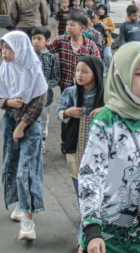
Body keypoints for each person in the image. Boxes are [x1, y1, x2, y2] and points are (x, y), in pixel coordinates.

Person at [79, 42, 140, 253]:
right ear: (122, 75)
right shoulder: (107, 122)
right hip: (111, 238)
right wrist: (91, 229)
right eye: (139, 74)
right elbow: (90, 176)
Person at [0, 31, 47, 241]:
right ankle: (19, 205)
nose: (4, 52)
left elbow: (39, 102)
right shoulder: (6, 68)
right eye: (2, 48)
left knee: (27, 169)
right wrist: (7, 103)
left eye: (8, 48)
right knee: (11, 164)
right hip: (10, 121)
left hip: (28, 125)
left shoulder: (33, 70)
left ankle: (28, 219)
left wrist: (21, 126)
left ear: (20, 48)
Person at [56, 56, 104, 249]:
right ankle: (87, 231)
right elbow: (58, 111)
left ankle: (88, 234)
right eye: (77, 71)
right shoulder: (70, 92)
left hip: (99, 153)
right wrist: (67, 113)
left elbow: (118, 112)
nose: (79, 75)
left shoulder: (106, 94)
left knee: (96, 193)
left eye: (85, 71)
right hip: (75, 148)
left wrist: (106, 110)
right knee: (82, 193)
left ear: (96, 74)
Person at [48, 12, 100, 91]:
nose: (68, 27)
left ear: (82, 28)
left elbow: (98, 64)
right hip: (65, 84)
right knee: (65, 102)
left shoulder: (90, 45)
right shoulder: (61, 40)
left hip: (83, 85)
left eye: (72, 25)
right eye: (67, 25)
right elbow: (48, 48)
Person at [30, 27, 60, 149]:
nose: (36, 41)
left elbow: (56, 77)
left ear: (47, 41)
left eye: (39, 38)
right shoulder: (29, 55)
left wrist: (46, 86)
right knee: (30, 118)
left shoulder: (51, 57)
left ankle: (42, 142)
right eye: (33, 38)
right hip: (30, 95)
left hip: (45, 96)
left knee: (43, 118)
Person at [96, 4, 115, 76]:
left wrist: (106, 27)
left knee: (108, 56)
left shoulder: (108, 19)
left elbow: (113, 28)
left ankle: (107, 68)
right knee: (100, 57)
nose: (101, 11)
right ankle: (103, 70)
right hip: (98, 42)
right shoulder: (96, 18)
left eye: (103, 9)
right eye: (100, 9)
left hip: (107, 42)